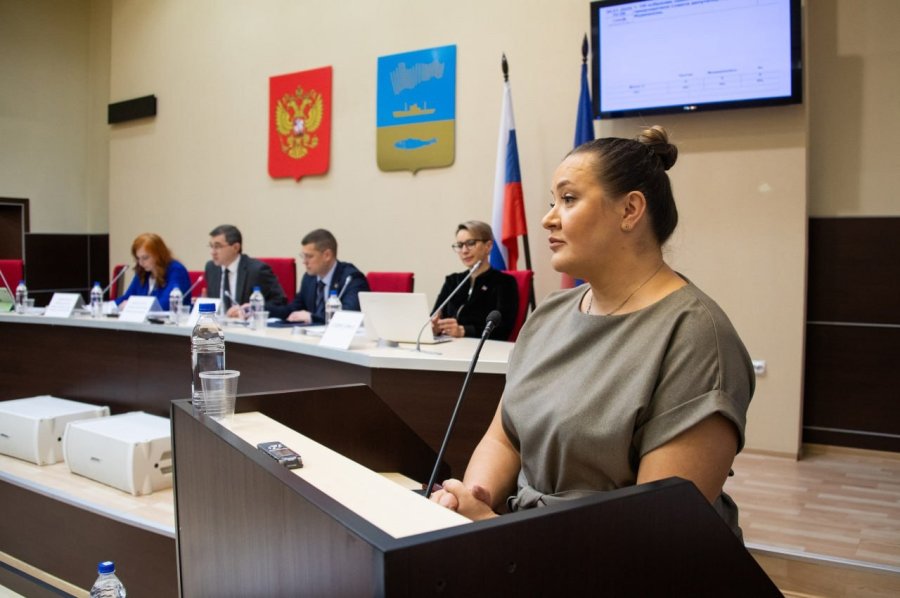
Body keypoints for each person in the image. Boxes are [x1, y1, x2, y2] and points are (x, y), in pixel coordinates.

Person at [430, 126, 755, 539]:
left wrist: (495, 533)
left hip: (618, 560)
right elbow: (505, 438)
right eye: (552, 202)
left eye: (568, 199)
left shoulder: (697, 337)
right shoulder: (549, 315)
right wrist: (471, 500)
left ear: (630, 210)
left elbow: (658, 533)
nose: (548, 218)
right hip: (521, 541)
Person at [431, 221, 519, 341]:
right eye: (460, 245)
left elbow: (503, 329)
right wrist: (434, 327)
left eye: (470, 243)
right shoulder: (452, 281)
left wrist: (464, 330)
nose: (464, 250)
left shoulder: (505, 282)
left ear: (488, 246)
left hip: (484, 348)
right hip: (447, 346)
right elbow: (434, 317)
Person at [268, 229, 369, 324]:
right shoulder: (309, 278)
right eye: (303, 256)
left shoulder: (351, 279)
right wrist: (264, 310)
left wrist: (312, 318)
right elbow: (292, 310)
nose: (304, 262)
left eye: (309, 256)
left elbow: (348, 315)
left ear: (327, 255)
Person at [203, 224, 287, 318]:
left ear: (235, 247)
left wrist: (250, 310)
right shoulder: (211, 268)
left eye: (217, 246)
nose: (212, 252)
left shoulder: (257, 270)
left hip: (247, 325)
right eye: (211, 246)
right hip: (219, 324)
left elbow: (280, 302)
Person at [116, 233, 191, 311]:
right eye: (138, 258)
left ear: (159, 255)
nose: (141, 263)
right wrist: (110, 306)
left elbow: (165, 305)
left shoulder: (176, 270)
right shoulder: (143, 271)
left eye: (145, 258)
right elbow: (127, 297)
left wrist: (132, 306)